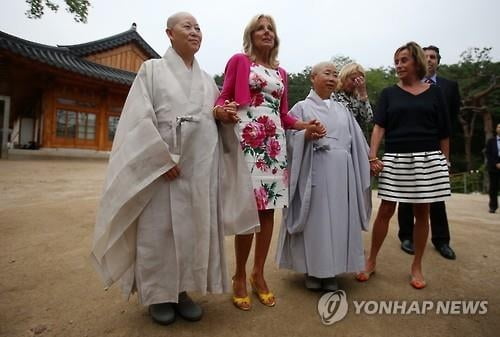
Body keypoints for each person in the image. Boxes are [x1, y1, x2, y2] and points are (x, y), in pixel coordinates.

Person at [90, 12, 258, 326]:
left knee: (193, 230)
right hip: (163, 168)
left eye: (198, 27)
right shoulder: (150, 70)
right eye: (187, 27)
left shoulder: (206, 79)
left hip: (198, 169)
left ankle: (182, 291)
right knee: (159, 231)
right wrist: (159, 159)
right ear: (169, 34)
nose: (194, 32)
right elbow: (138, 119)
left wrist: (221, 114)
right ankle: (157, 295)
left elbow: (211, 113)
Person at [214, 14, 325, 310]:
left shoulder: (282, 73)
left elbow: (284, 114)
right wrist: (221, 112)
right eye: (260, 28)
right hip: (247, 142)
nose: (266, 32)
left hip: (274, 146)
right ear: (251, 35)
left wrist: (304, 126)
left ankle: (258, 275)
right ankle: (239, 275)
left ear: (275, 37)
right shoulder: (240, 61)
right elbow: (223, 98)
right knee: (248, 211)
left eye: (270, 29)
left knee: (268, 213)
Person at [357, 42, 451, 289]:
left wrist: (445, 161)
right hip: (396, 158)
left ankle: (417, 266)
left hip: (428, 159)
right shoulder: (389, 93)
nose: (399, 65)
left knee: (422, 213)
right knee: (386, 210)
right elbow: (379, 126)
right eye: (396, 60)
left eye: (404, 60)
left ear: (416, 62)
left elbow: (444, 132)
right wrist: (372, 155)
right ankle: (371, 260)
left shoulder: (435, 93)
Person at [276, 62, 372, 292]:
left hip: (342, 174)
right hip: (313, 171)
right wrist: (305, 136)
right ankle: (312, 269)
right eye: (327, 73)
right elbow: (286, 138)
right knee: (315, 222)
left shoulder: (343, 110)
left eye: (335, 75)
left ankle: (332, 271)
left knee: (339, 221)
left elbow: (357, 142)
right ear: (313, 77)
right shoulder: (300, 108)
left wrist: (370, 160)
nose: (332, 78)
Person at [397, 45, 461, 260]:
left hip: (434, 148)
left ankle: (441, 240)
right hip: (409, 147)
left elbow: (450, 124)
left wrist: (446, 157)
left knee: (436, 195)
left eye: (433, 57)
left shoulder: (449, 87)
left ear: (438, 61)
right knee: (407, 194)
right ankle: (407, 236)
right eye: (426, 57)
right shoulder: (403, 86)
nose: (430, 60)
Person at [333, 62, 373, 139]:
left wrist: (363, 95)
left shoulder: (357, 98)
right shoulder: (333, 95)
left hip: (357, 142)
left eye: (359, 80)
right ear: (344, 77)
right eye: (353, 79)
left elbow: (368, 118)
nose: (355, 83)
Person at [486, 123, 500, 213]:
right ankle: (493, 206)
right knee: (493, 188)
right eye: (499, 126)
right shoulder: (491, 141)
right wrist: (495, 163)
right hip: (494, 167)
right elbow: (488, 154)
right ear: (496, 129)